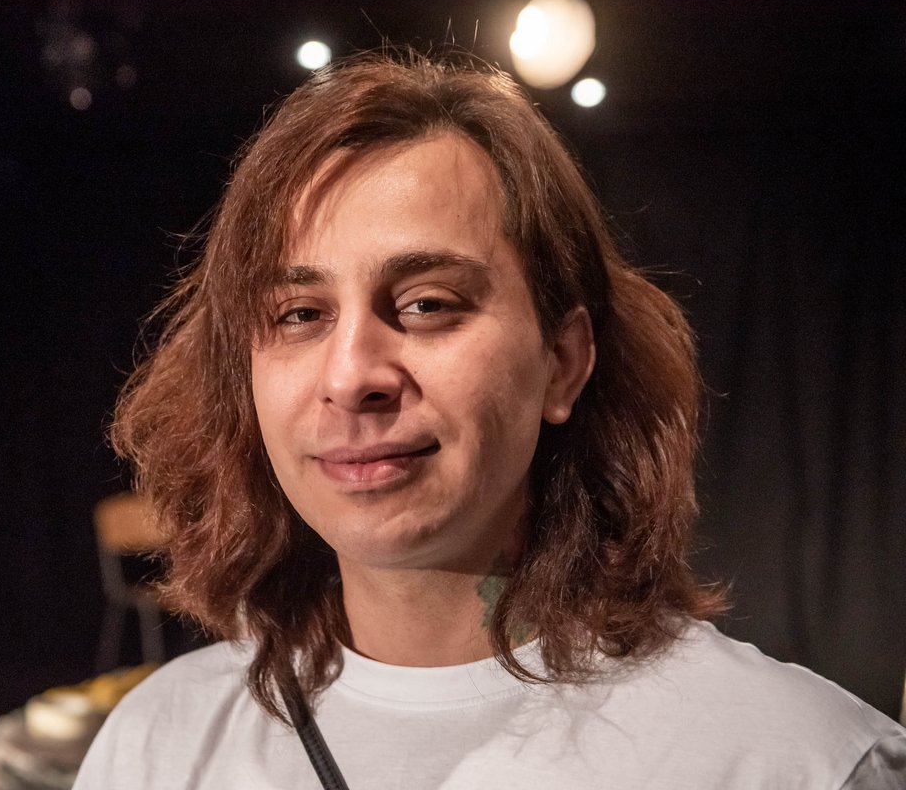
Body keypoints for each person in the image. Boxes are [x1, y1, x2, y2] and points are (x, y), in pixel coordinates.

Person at [73, 53, 905, 788]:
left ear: (563, 361)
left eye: (428, 303)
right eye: (300, 315)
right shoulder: (156, 748)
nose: (352, 375)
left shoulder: (797, 762)